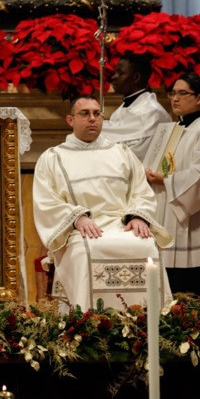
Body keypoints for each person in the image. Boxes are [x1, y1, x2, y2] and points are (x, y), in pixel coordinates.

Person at [33, 94, 173, 310]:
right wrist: (77, 218)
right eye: (85, 114)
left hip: (122, 224)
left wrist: (137, 216)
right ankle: (85, 322)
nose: (92, 118)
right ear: (70, 120)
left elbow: (141, 190)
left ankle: (150, 322)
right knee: (82, 251)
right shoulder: (52, 158)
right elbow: (46, 201)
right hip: (81, 229)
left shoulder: (121, 152)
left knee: (147, 246)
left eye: (97, 114)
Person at [146, 73, 200, 304]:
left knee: (194, 297)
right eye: (172, 93)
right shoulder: (170, 130)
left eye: (183, 93)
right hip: (166, 219)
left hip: (194, 223)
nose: (175, 99)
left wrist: (165, 180)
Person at [102, 53, 171, 161]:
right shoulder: (120, 110)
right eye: (115, 72)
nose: (114, 77)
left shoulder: (153, 113)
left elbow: (138, 154)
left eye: (120, 73)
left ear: (136, 77)